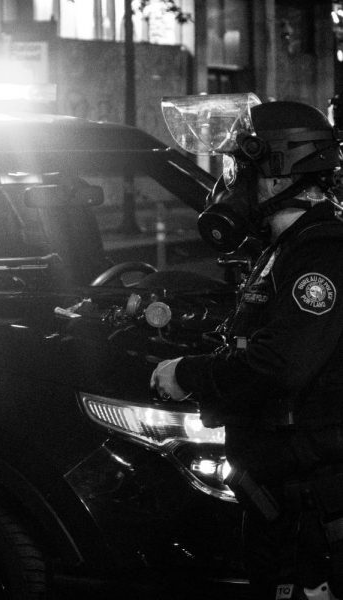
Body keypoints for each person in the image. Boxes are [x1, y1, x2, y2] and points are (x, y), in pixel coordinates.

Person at [151, 99, 343, 600]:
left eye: (241, 168)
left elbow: (281, 364)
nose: (231, 184)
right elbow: (259, 338)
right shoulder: (286, 248)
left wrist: (189, 375)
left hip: (314, 518)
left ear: (279, 175)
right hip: (282, 507)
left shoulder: (322, 252)